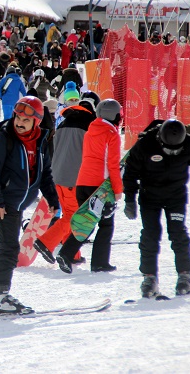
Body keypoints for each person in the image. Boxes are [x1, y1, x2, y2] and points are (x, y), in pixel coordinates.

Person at [0, 95, 58, 316]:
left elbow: (45, 175)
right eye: (18, 118)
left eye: (26, 120)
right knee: (8, 249)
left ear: (37, 122)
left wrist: (52, 198)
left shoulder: (41, 142)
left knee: (3, 249)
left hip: (17, 203)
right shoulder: (2, 140)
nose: (20, 123)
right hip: (2, 203)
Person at [123, 119, 190, 297]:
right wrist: (130, 199)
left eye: (176, 150)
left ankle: (185, 276)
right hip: (150, 196)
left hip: (176, 197)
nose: (172, 153)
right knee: (150, 235)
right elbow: (130, 171)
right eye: (168, 150)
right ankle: (149, 277)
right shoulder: (146, 144)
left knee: (178, 233)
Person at [55, 99, 123, 274]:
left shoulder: (90, 130)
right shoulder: (111, 134)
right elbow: (113, 164)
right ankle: (98, 262)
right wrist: (117, 189)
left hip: (82, 182)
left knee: (87, 221)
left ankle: (67, 253)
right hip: (99, 185)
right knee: (106, 224)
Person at [34, 91, 100, 266]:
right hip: (74, 178)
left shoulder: (63, 123)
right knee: (73, 217)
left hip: (56, 177)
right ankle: (46, 243)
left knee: (70, 214)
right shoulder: (91, 126)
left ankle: (73, 254)